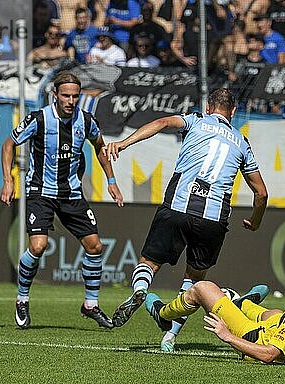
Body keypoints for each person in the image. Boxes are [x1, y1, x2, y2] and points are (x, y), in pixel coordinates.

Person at [104, 88, 268, 353]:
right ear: (233, 112)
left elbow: (161, 123)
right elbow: (261, 193)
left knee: (149, 263)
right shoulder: (241, 141)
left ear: (207, 106)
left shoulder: (195, 120)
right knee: (194, 282)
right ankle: (170, 337)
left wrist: (124, 143)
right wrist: (255, 221)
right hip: (213, 219)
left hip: (177, 207)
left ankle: (141, 289)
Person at [1, 72, 124, 330]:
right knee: (38, 246)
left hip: (72, 194)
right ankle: (22, 299)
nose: (70, 101)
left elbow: (100, 147)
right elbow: (8, 144)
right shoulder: (39, 119)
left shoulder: (86, 120)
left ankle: (90, 305)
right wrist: (8, 180)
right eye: (66, 95)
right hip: (40, 191)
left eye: (75, 96)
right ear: (55, 95)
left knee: (95, 247)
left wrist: (112, 182)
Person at [145, 255, 285, 364]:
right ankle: (242, 303)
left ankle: (162, 315)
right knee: (277, 315)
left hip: (252, 338)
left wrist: (228, 337)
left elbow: (269, 355)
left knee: (202, 288)